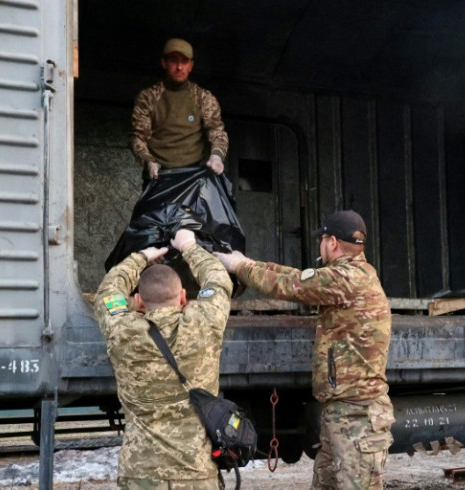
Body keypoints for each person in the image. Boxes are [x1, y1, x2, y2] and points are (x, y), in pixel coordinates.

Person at [214, 210, 395, 489]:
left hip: (357, 416)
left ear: (332, 242)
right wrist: (248, 262)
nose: (320, 246)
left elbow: (290, 285)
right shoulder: (349, 275)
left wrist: (239, 267)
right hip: (343, 414)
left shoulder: (345, 279)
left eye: (322, 240)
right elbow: (298, 276)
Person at [93, 228, 233, 489]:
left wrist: (142, 257)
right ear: (183, 298)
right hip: (196, 474)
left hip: (140, 475)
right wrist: (188, 246)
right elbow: (218, 280)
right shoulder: (203, 324)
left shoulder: (123, 331)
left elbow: (108, 291)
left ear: (138, 302)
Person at [129, 38, 229, 189]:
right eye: (174, 61)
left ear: (191, 66)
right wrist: (148, 162)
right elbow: (137, 137)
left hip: (193, 179)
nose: (179, 67)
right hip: (158, 178)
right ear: (164, 63)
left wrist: (217, 156)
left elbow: (217, 132)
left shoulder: (203, 98)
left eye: (185, 61)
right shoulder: (148, 97)